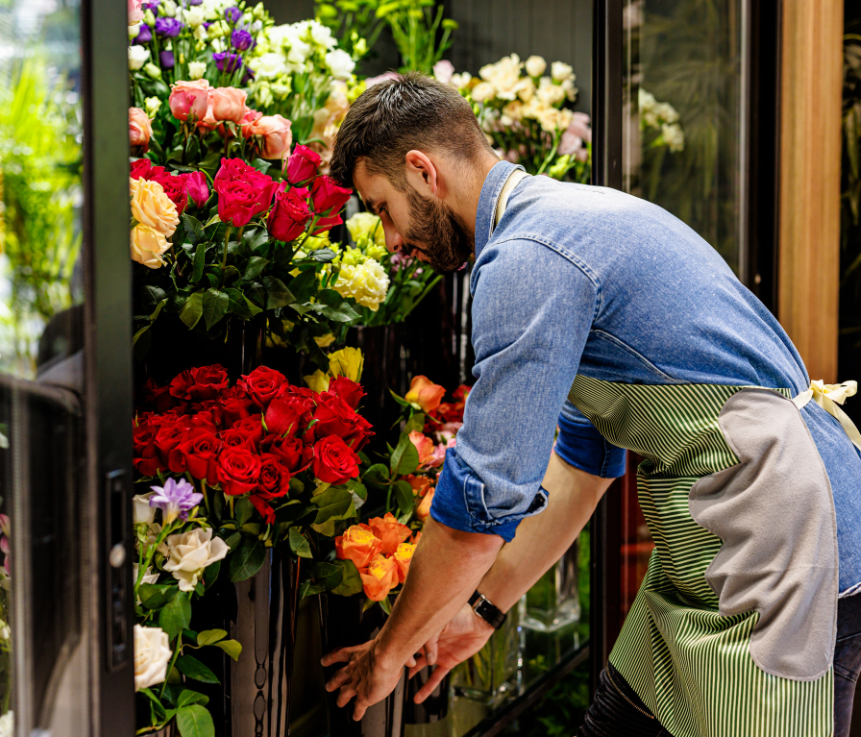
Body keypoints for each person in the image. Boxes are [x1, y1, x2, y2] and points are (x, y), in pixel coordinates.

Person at [319, 73, 861, 737]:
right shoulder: (560, 218)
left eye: (382, 209)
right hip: (718, 541)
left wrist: (388, 652)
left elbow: (480, 506)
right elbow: (582, 460)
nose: (392, 241)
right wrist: (480, 612)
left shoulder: (526, 258)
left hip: (782, 541)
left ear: (422, 171)